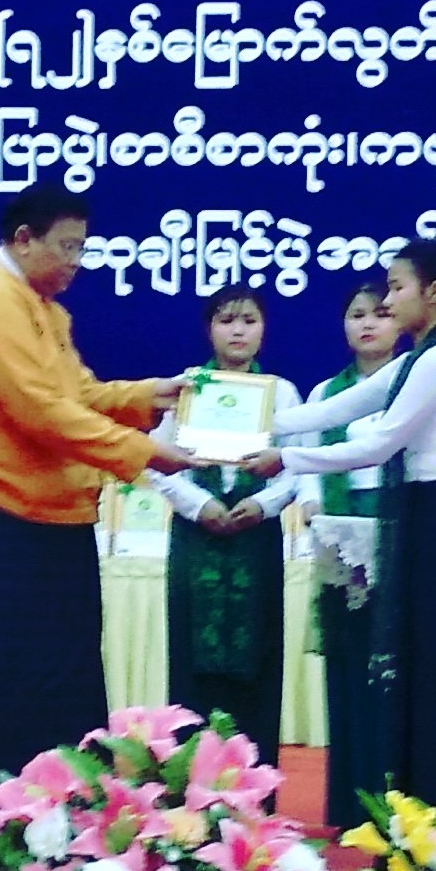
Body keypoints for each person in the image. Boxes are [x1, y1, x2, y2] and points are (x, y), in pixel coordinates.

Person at [0, 188, 194, 836]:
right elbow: (41, 412)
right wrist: (143, 452)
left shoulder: (41, 306)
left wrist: (147, 396)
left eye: (83, 248)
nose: (78, 261)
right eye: (67, 247)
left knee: (62, 668)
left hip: (50, 513)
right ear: (24, 238)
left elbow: (78, 394)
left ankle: (60, 813)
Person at [248, 240, 436, 839]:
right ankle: (411, 824)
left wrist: (285, 458)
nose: (388, 300)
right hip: (413, 518)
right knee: (407, 674)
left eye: (398, 288)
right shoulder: (418, 358)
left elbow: (378, 443)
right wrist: (240, 417)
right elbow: (336, 409)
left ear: (435, 292)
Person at [146, 286, 302, 766]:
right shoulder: (188, 386)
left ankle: (255, 790)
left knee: (259, 662)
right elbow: (157, 461)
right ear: (208, 329)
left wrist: (263, 504)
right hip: (198, 537)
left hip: (256, 537)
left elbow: (298, 463)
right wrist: (199, 505)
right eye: (226, 320)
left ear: (264, 329)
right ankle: (189, 789)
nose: (238, 331)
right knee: (192, 663)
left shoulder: (282, 392)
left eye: (249, 321)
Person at [294, 284, 402, 829]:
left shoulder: (412, 382)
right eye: (357, 314)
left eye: (381, 313)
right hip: (340, 537)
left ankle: (395, 797)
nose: (369, 324)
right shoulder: (325, 392)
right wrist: (312, 505)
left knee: (393, 666)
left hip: (397, 530)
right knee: (349, 663)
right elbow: (307, 459)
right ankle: (349, 798)